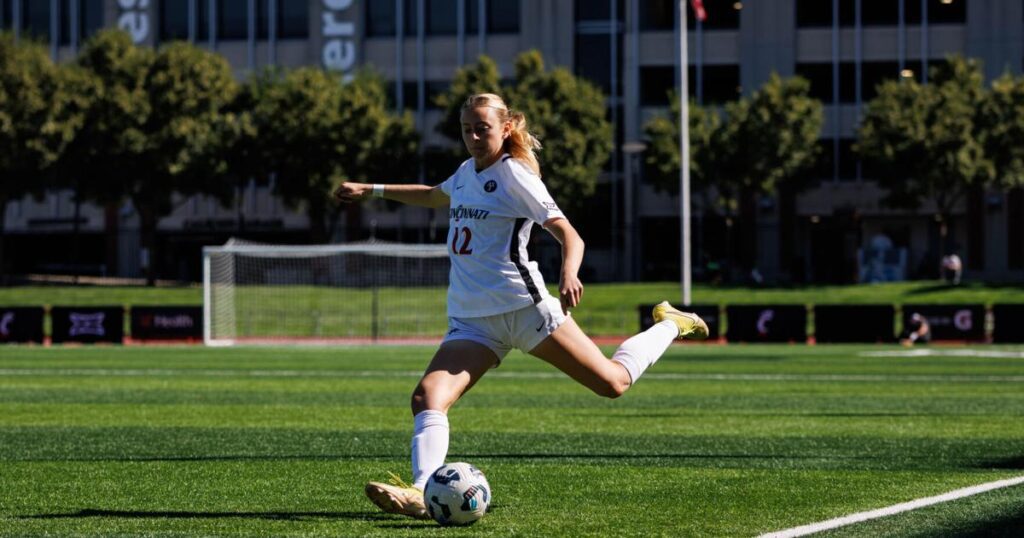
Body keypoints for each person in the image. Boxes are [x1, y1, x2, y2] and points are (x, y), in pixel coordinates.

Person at [333, 93, 708, 519]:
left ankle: (671, 324)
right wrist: (371, 189)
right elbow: (434, 196)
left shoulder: (515, 176)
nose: (474, 137)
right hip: (473, 321)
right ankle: (422, 491)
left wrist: (569, 272)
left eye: (483, 128)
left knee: (612, 383)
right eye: (467, 129)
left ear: (506, 127)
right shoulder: (465, 172)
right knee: (426, 397)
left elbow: (570, 233)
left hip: (525, 310)